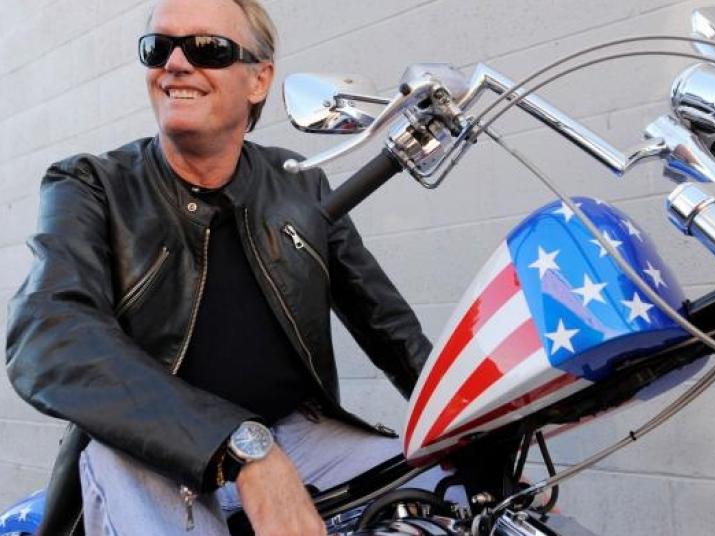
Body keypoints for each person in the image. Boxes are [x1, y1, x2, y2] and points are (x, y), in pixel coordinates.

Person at [5, 0, 433, 534]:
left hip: (298, 438)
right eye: (159, 48)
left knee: (455, 492)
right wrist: (237, 446)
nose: (175, 64)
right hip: (148, 455)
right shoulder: (92, 185)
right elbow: (49, 333)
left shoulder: (299, 183)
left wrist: (477, 421)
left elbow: (389, 326)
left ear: (259, 79)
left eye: (207, 48)